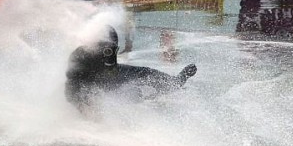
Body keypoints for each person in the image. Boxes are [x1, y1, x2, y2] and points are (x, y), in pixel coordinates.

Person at [65, 25, 197, 110]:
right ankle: (174, 83)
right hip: (91, 86)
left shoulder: (83, 51)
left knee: (143, 73)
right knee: (135, 86)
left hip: (95, 80)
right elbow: (110, 75)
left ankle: (174, 82)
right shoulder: (101, 50)